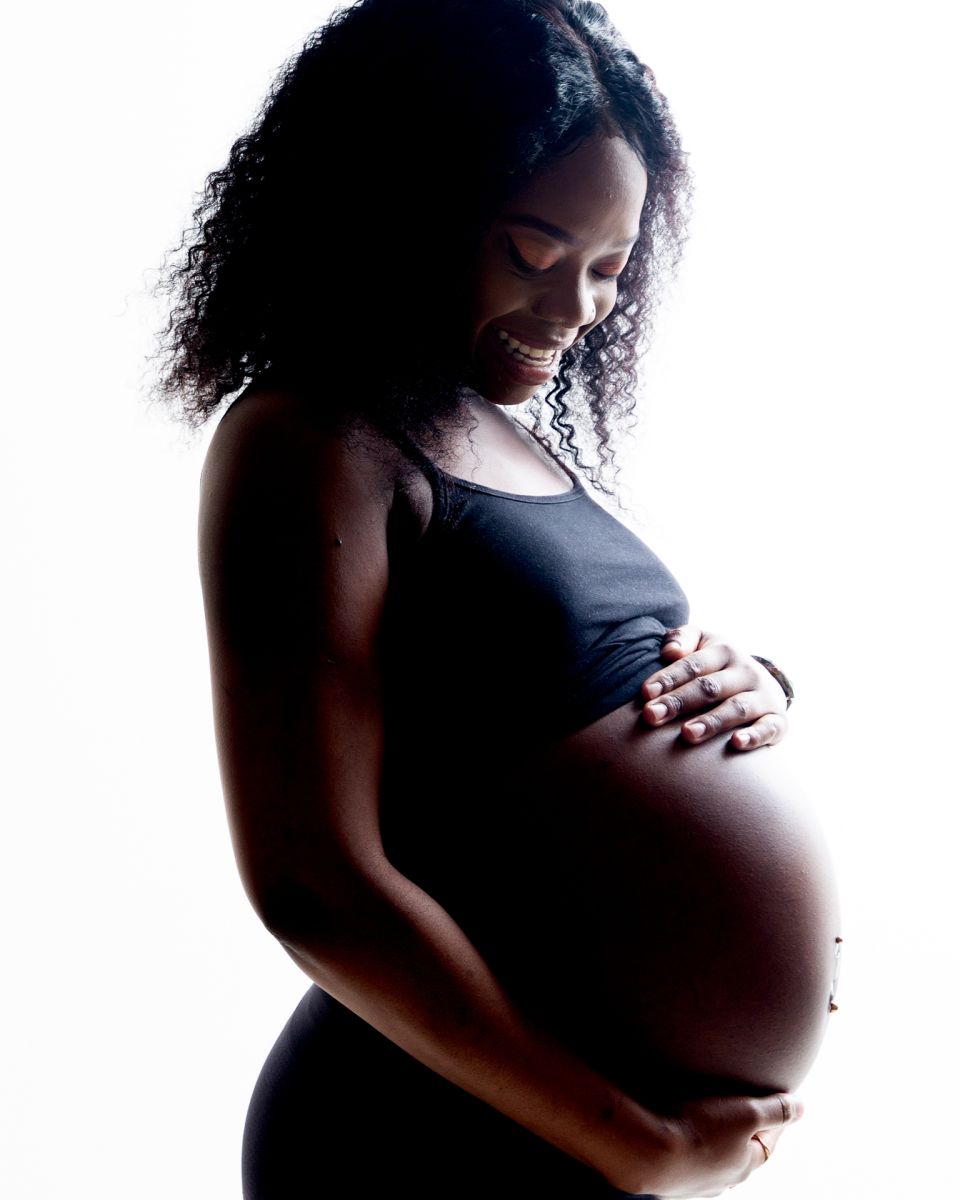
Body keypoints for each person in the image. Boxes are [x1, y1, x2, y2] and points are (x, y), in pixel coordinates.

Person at [157, 1, 839, 1195]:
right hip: (426, 1136)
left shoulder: (495, 439)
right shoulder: (313, 440)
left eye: (610, 269)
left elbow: (523, 701)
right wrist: (644, 1145)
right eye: (533, 252)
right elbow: (314, 886)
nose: (575, 310)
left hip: (563, 1134)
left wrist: (747, 688)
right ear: (403, 207)